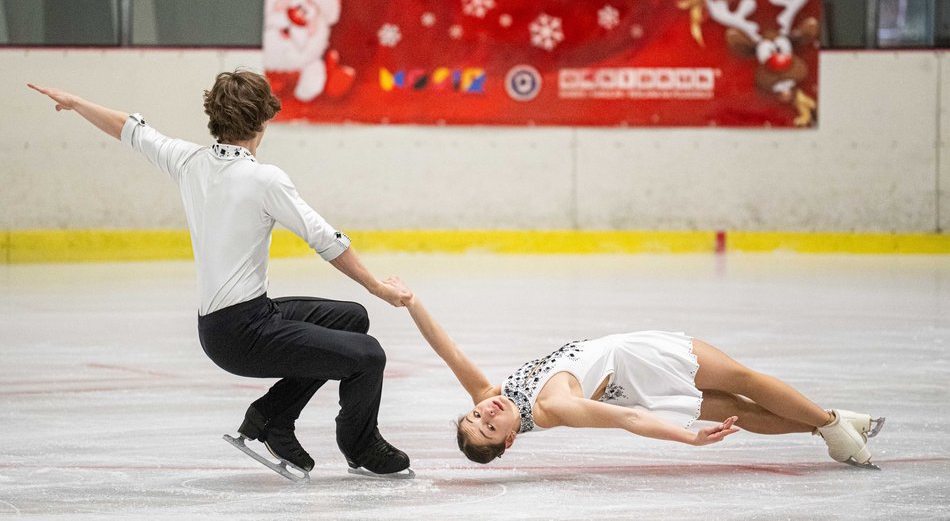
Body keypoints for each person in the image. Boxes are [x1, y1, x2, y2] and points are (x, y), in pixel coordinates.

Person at [27, 71, 414, 479]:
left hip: (227, 325)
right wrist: (377, 286)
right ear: (265, 120)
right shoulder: (265, 179)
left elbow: (130, 129)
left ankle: (271, 418)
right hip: (244, 335)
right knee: (368, 356)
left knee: (351, 319)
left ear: (215, 116)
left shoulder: (188, 160)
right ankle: (359, 445)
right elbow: (326, 240)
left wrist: (77, 103)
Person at [390, 277, 884, 469]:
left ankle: (834, 428)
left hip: (630, 383)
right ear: (510, 440)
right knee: (743, 383)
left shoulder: (499, 394)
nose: (486, 411)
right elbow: (629, 423)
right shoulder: (551, 406)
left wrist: (413, 304)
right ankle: (834, 424)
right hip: (642, 360)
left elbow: (446, 350)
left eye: (475, 415)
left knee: (738, 407)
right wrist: (688, 441)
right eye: (490, 427)